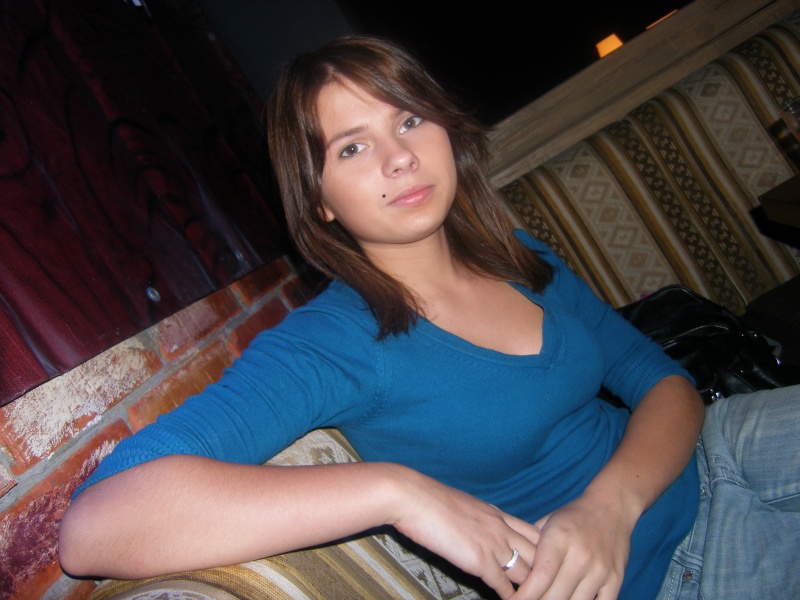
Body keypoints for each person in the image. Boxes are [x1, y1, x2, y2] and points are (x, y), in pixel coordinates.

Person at [58, 36, 799, 600]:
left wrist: (611, 505)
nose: (400, 157)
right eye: (353, 147)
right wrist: (397, 492)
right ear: (319, 200)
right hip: (669, 567)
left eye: (409, 119)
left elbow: (664, 382)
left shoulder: (518, 254)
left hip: (710, 452)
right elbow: (96, 527)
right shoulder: (335, 342)